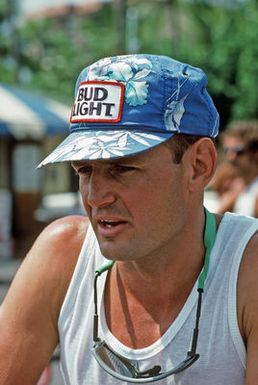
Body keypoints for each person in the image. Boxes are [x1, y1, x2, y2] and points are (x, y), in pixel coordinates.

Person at [0, 54, 258, 385]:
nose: (94, 196)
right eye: (84, 169)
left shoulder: (246, 269)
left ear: (199, 166)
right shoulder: (63, 255)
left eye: (122, 168)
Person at [217, 121, 258, 217]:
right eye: (227, 150)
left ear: (255, 153)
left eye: (239, 151)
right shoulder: (236, 185)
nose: (230, 157)